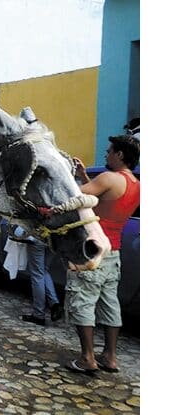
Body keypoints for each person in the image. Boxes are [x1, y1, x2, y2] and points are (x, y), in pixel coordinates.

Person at [65, 134, 140, 375]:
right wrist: (84, 175)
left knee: (83, 301)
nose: (106, 154)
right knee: (110, 304)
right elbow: (102, 200)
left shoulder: (109, 178)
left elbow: (74, 196)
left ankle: (87, 358)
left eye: (109, 151)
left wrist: (67, 175)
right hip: (113, 251)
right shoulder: (136, 184)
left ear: (120, 154)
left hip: (92, 250)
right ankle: (110, 356)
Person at [10, 225, 63, 326]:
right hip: (55, 238)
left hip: (39, 236)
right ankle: (54, 304)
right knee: (44, 270)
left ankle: (39, 315)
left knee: (37, 274)